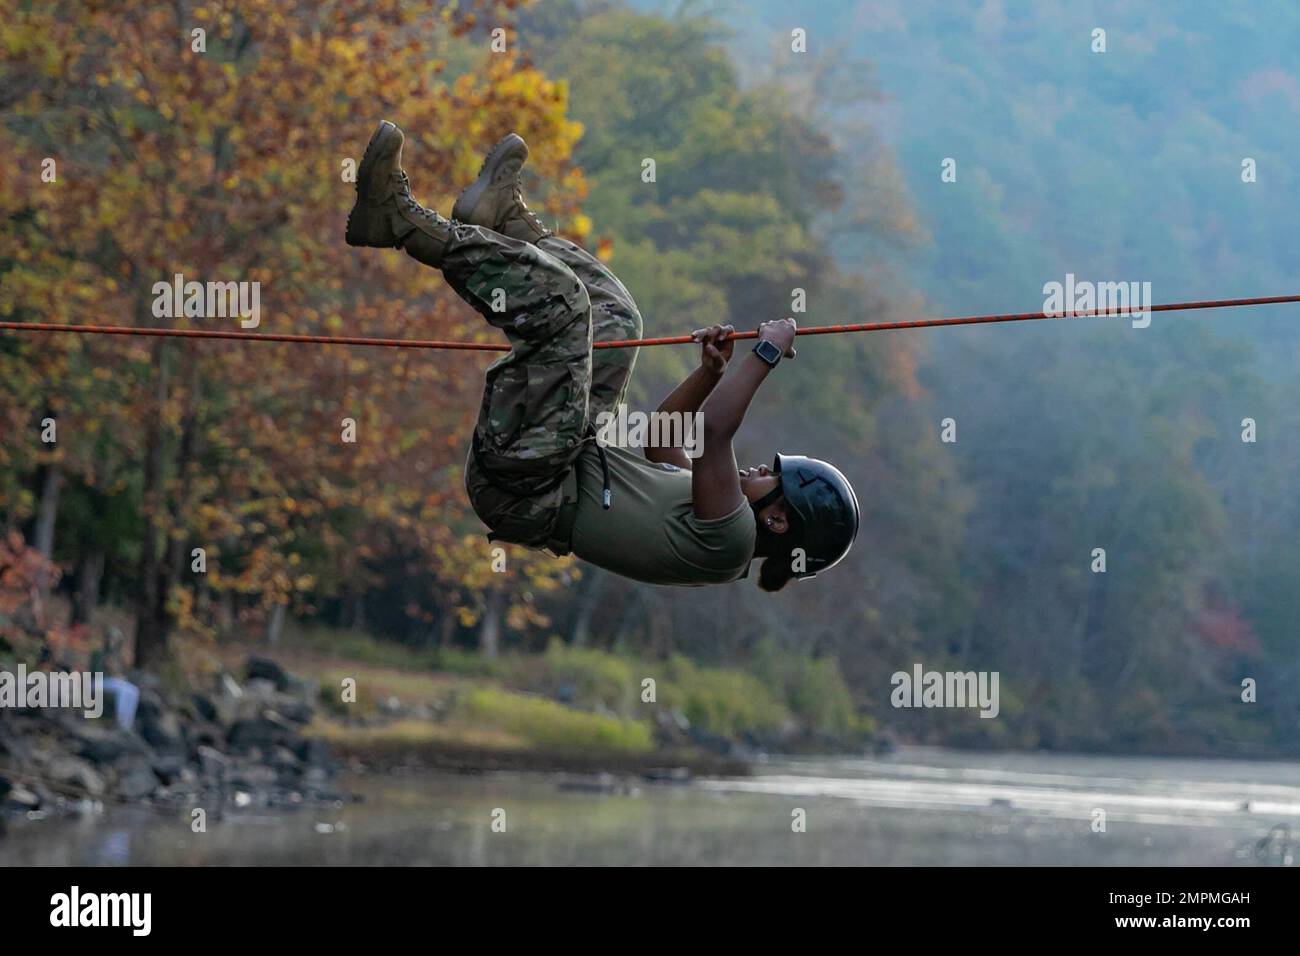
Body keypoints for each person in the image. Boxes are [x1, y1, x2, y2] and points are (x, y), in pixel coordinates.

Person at [345, 121, 859, 590]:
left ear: (778, 519)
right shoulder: (713, 512)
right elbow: (663, 438)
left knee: (566, 312)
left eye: (772, 474)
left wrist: (767, 350)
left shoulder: (730, 543)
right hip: (556, 458)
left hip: (530, 487)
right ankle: (503, 223)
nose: (756, 470)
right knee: (618, 321)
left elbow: (716, 433)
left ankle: (397, 223)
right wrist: (709, 373)